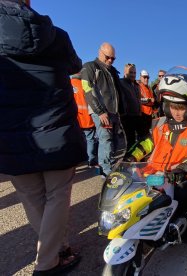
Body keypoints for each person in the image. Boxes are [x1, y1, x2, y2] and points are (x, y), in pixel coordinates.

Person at [0, 0, 86, 274]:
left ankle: (58, 249)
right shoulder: (56, 35)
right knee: (57, 195)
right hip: (55, 129)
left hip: (11, 134)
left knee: (31, 196)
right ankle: (49, 262)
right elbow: (75, 66)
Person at [127, 69, 187, 241]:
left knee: (182, 191)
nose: (177, 112)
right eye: (173, 106)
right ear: (166, 105)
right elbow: (146, 144)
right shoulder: (159, 125)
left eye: (181, 107)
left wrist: (182, 170)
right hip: (156, 173)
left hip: (185, 174)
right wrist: (131, 158)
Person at [81, 42, 125, 177]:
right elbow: (87, 89)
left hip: (114, 112)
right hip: (100, 112)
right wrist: (100, 111)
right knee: (105, 139)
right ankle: (106, 172)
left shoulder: (112, 71)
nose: (110, 60)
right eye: (108, 57)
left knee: (116, 141)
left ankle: (111, 165)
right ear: (100, 52)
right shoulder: (90, 67)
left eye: (113, 58)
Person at [71, 73, 98, 167]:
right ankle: (91, 160)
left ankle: (77, 159)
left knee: (76, 140)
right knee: (90, 139)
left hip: (75, 118)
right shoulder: (84, 84)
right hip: (87, 118)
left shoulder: (69, 84)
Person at [119, 63, 141, 150]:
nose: (133, 74)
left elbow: (138, 100)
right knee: (129, 139)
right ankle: (128, 158)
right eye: (130, 72)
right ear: (125, 72)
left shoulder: (136, 85)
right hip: (126, 116)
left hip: (137, 115)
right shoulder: (120, 83)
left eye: (134, 73)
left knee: (138, 139)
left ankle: (135, 155)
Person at [137, 70, 156, 139]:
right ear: (140, 77)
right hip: (142, 114)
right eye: (144, 77)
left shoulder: (149, 88)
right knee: (142, 135)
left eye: (148, 77)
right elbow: (138, 100)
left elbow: (153, 101)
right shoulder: (138, 87)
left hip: (149, 114)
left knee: (148, 134)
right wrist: (149, 100)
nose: (146, 79)